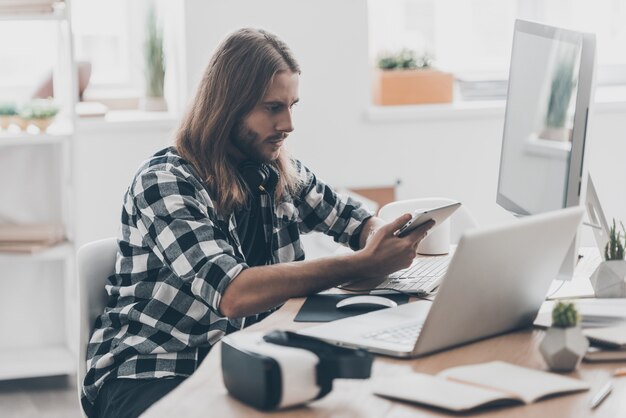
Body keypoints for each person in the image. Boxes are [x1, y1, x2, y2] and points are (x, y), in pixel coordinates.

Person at [81, 28, 432, 418]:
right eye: (272, 108)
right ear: (228, 105)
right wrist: (362, 263)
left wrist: (382, 237)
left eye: (292, 105)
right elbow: (233, 294)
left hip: (245, 360)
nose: (288, 123)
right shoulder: (165, 182)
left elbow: (354, 220)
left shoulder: (277, 171)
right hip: (152, 371)